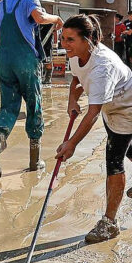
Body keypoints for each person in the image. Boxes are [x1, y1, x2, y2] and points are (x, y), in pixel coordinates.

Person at [56, 14, 132, 243]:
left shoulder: (102, 67)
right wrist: (71, 100)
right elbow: (77, 79)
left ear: (88, 40)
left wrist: (71, 144)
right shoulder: (75, 54)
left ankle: (109, 223)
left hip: (127, 110)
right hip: (113, 107)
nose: (64, 44)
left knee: (114, 161)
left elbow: (92, 113)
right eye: (63, 38)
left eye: (70, 39)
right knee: (128, 152)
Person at [0, 0, 63, 178]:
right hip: (25, 60)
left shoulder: (2, 4)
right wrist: (55, 19)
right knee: (33, 104)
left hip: (4, 59)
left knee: (8, 106)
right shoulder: (30, 0)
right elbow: (39, 18)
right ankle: (34, 160)